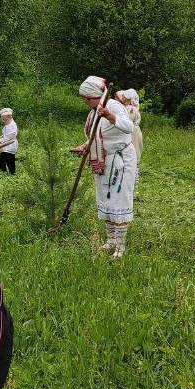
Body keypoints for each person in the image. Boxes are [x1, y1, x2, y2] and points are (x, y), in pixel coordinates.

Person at [73, 76, 138, 258]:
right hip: (103, 161)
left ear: (92, 96)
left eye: (86, 99)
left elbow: (128, 127)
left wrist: (109, 115)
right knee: (106, 201)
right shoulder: (94, 111)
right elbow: (98, 136)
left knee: (119, 201)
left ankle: (120, 247)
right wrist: (86, 146)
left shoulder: (113, 106)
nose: (85, 102)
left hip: (120, 161)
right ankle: (110, 241)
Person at [117, 89, 144, 159]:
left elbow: (126, 121)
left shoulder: (131, 109)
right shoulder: (132, 108)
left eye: (123, 96)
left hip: (132, 133)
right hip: (133, 131)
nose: (122, 98)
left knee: (133, 152)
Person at [0, 108, 18, 175]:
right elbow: (6, 135)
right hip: (8, 145)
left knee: (1, 158)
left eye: (4, 119)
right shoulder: (8, 124)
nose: (3, 121)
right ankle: (12, 173)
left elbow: (9, 137)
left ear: (9, 117)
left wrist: (0, 141)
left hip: (10, 145)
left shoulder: (12, 125)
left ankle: (3, 172)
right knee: (10, 160)